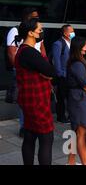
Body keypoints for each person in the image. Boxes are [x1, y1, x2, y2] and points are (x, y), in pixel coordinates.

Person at [15, 18, 57, 165]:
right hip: (36, 101)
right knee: (46, 138)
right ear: (31, 33)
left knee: (30, 135)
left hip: (28, 100)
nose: (42, 32)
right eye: (40, 29)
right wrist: (47, 73)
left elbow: (48, 71)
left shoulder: (24, 51)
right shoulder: (29, 52)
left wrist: (46, 72)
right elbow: (51, 70)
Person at [6, 7, 47, 137]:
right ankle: (25, 126)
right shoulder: (15, 31)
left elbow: (42, 50)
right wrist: (19, 69)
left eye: (38, 18)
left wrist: (45, 66)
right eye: (34, 17)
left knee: (37, 98)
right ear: (27, 17)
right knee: (25, 99)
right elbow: (12, 53)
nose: (37, 20)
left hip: (38, 71)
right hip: (24, 70)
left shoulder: (37, 31)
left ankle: (35, 124)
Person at [66, 36, 86, 165]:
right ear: (79, 47)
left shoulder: (81, 60)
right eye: (85, 45)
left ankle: (71, 162)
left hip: (80, 99)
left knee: (76, 133)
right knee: (81, 133)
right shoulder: (77, 63)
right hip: (79, 100)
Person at [52, 24, 75, 123]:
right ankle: (61, 116)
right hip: (63, 76)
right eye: (71, 31)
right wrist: (61, 74)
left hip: (71, 75)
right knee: (61, 97)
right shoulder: (58, 44)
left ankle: (70, 115)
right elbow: (56, 61)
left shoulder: (72, 43)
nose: (73, 33)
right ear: (65, 33)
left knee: (70, 96)